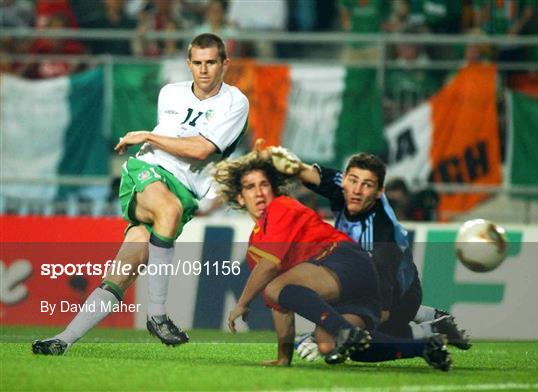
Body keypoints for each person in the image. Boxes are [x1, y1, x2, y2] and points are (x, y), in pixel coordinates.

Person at [32, 33, 249, 355]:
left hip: (186, 191)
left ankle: (63, 339)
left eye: (211, 62)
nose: (204, 70)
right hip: (147, 171)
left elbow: (202, 149)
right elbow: (171, 144)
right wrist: (152, 141)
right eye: (198, 63)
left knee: (122, 271)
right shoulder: (171, 93)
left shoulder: (235, 102)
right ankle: (157, 314)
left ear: (225, 64)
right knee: (168, 211)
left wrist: (148, 134)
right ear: (188, 64)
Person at [214, 151, 451, 370]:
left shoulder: (281, 207)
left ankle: (346, 331)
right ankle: (425, 347)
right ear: (240, 198)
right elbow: (280, 306)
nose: (259, 192)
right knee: (331, 345)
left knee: (274, 287)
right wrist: (283, 358)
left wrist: (242, 303)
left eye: (264, 184)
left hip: (345, 260)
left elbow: (271, 269)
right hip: (353, 288)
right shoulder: (255, 246)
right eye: (250, 187)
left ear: (274, 189)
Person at [262, 146, 470, 361]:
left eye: (367, 185)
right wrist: (282, 160)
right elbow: (305, 171)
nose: (357, 190)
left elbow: (381, 311)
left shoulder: (382, 235)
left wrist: (320, 335)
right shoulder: (345, 189)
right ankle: (432, 326)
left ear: (379, 192)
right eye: (352, 180)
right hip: (356, 278)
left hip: (399, 295)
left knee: (350, 344)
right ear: (344, 180)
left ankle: (427, 334)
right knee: (333, 334)